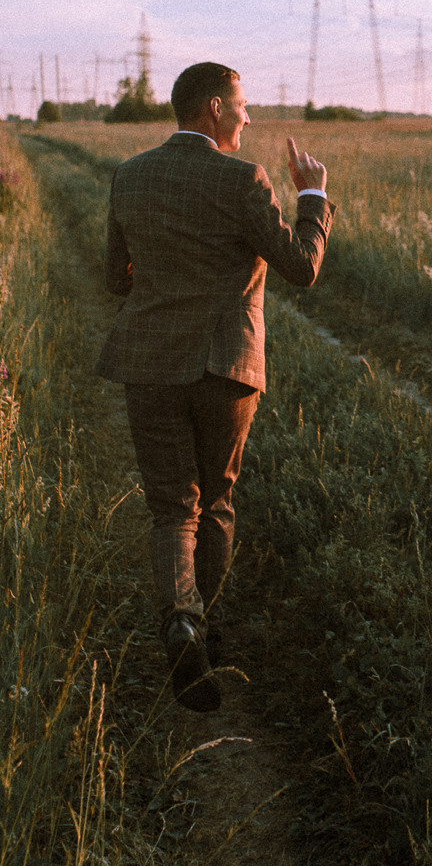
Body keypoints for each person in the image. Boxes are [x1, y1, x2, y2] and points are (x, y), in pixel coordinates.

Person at [95, 62, 335, 711]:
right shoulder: (245, 180)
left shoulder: (130, 176)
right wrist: (311, 198)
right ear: (213, 109)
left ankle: (181, 619)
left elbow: (117, 281)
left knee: (173, 506)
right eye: (242, 105)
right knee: (217, 500)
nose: (248, 117)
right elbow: (301, 267)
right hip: (226, 365)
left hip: (148, 363)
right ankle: (202, 626)